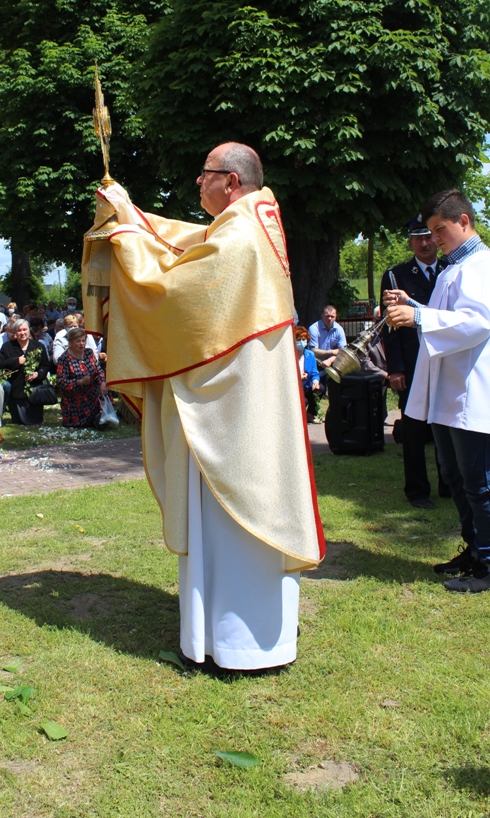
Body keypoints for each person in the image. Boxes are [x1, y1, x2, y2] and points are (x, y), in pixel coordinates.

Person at [82, 142, 324, 671]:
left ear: (231, 181)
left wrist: (124, 237)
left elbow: (174, 291)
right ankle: (243, 636)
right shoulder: (253, 222)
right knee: (239, 522)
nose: (198, 182)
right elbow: (187, 241)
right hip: (241, 405)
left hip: (230, 416)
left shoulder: (241, 234)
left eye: (205, 174)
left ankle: (234, 643)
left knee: (229, 520)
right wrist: (129, 212)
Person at [385, 189, 490, 593]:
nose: (434, 239)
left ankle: (488, 563)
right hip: (447, 394)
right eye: (429, 231)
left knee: (478, 481)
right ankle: (474, 549)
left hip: (469, 392)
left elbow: (477, 322)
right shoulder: (452, 269)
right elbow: (449, 317)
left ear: (464, 221)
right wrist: (415, 307)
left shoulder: (481, 266)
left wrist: (418, 318)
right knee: (455, 477)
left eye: (440, 229)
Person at [380, 215, 447, 509]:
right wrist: (395, 368)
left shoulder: (450, 270)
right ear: (410, 243)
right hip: (413, 363)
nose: (424, 243)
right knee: (414, 430)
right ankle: (418, 490)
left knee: (446, 426)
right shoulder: (396, 276)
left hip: (445, 361)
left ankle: (448, 484)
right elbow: (391, 325)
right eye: (418, 238)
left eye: (428, 237)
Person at [0, 319, 50, 424]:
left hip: (34, 387)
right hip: (16, 386)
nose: (22, 333)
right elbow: (1, 364)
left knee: (35, 420)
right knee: (19, 421)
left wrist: (37, 374)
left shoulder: (38, 346)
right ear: (15, 332)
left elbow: (45, 365)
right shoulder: (7, 347)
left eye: (24, 329)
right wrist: (16, 361)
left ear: (29, 330)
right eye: (19, 330)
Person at [57, 326, 107, 427]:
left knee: (104, 390)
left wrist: (103, 382)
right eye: (78, 341)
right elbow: (61, 382)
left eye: (83, 341)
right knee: (82, 424)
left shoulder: (89, 353)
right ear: (70, 343)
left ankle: (102, 416)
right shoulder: (64, 358)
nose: (81, 344)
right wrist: (79, 382)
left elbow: (99, 371)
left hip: (92, 392)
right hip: (75, 397)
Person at [308, 305, 347, 387]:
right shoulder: (314, 328)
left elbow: (343, 352)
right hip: (316, 363)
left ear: (336, 317)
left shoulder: (339, 329)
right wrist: (332, 352)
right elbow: (313, 351)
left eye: (332, 316)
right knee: (320, 389)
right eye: (327, 316)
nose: (329, 318)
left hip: (334, 362)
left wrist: (330, 360)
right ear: (322, 315)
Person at [294, 325, 322, 423]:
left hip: (306, 387)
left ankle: (310, 414)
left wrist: (315, 381)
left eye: (303, 339)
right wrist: (298, 378)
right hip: (295, 389)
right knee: (304, 401)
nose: (301, 342)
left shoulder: (310, 354)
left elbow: (314, 372)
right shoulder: (290, 356)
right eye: (298, 340)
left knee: (320, 389)